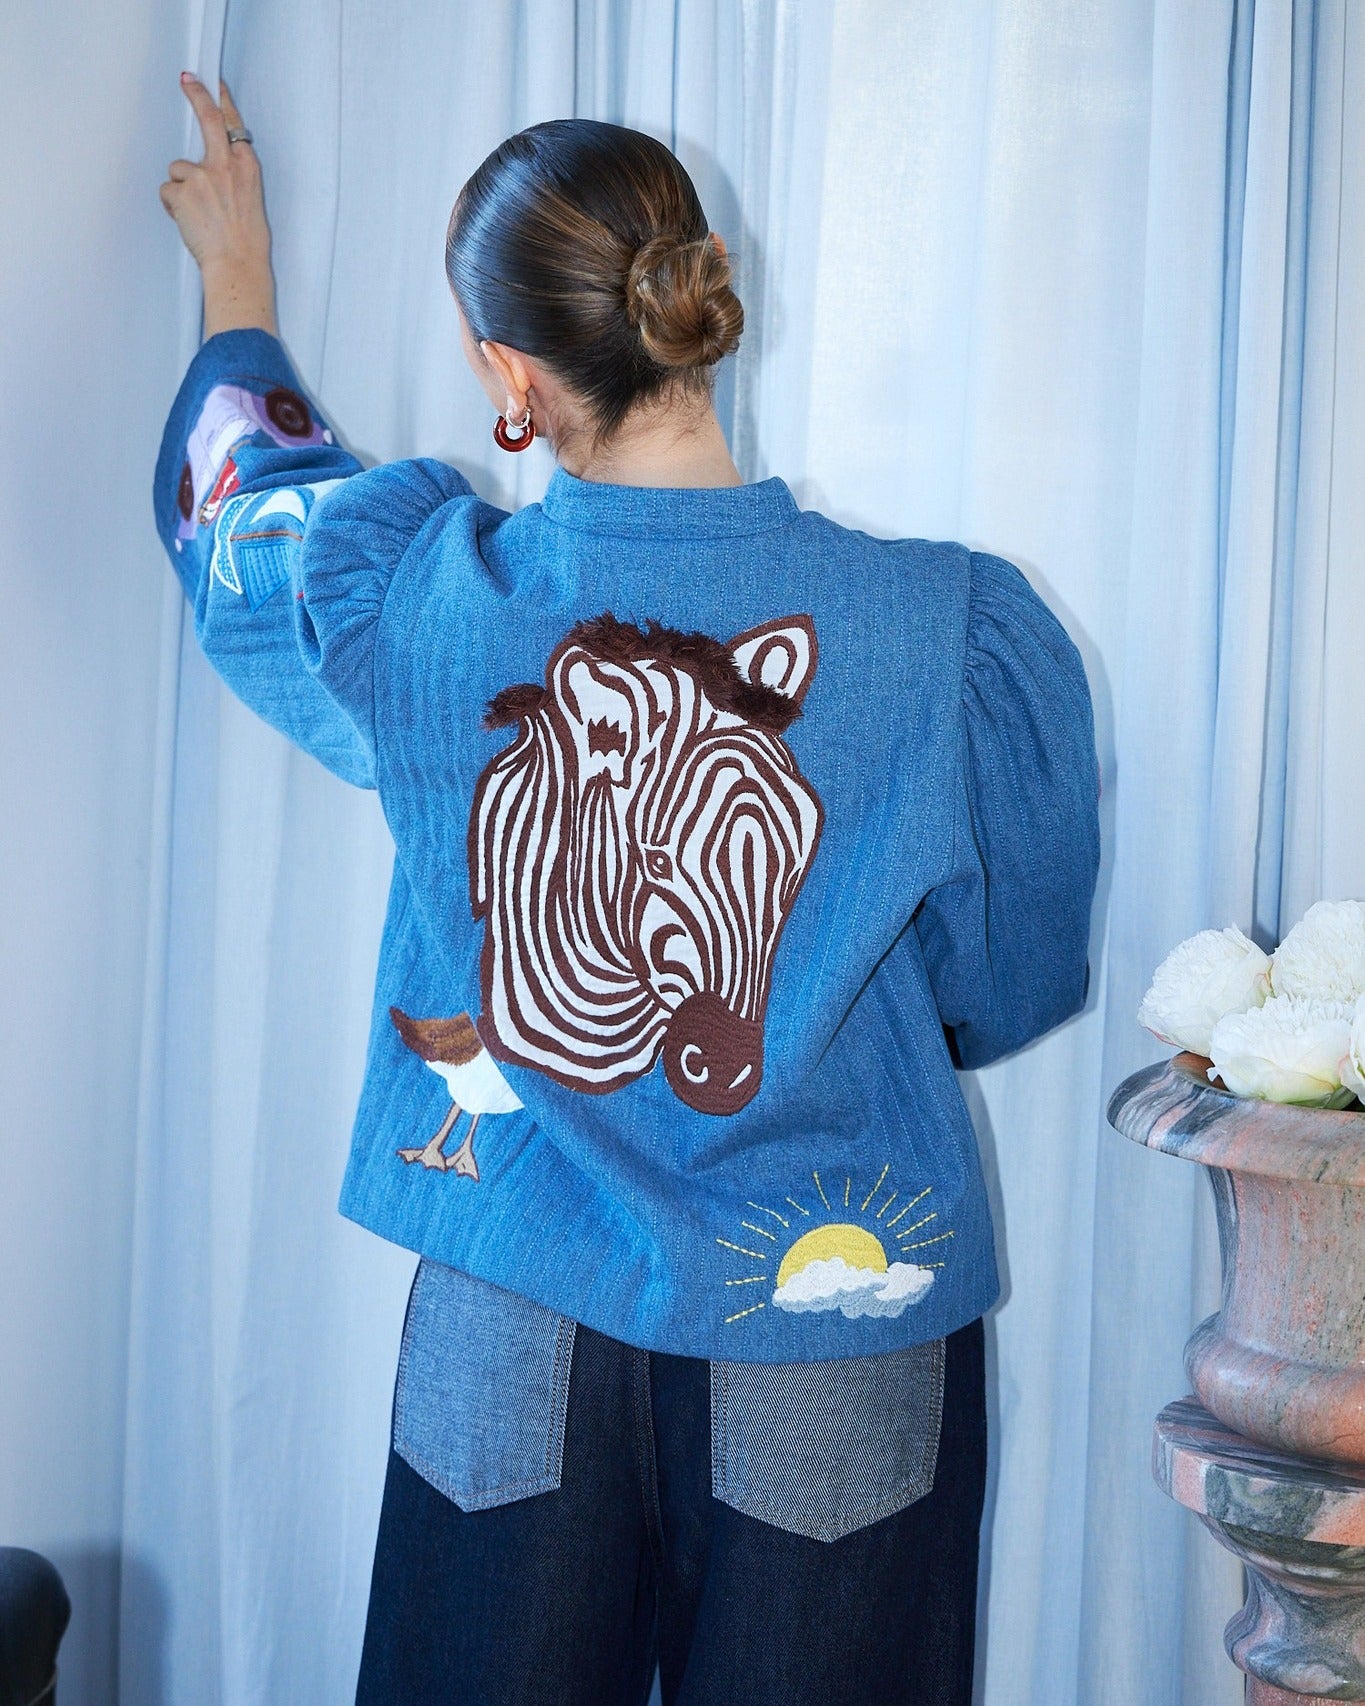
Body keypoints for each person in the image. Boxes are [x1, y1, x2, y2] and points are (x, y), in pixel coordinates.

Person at [157, 73, 1101, 1706]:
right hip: (834, 1296)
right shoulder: (949, 631)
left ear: (509, 375)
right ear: (697, 304)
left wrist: (237, 295)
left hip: (515, 1304)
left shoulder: (419, 600)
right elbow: (1006, 980)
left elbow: (245, 529)